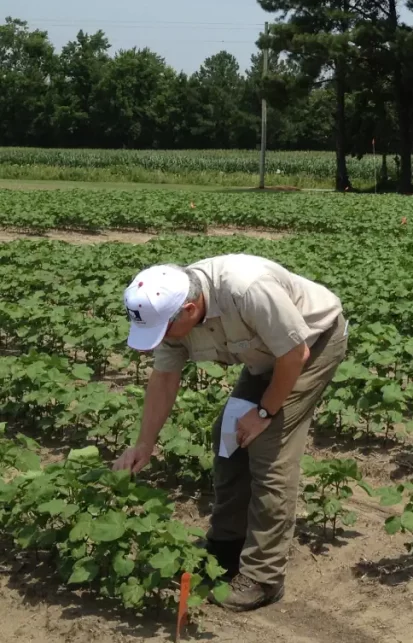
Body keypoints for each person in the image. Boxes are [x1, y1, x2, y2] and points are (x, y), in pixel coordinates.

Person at [113, 254, 348, 612]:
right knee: (229, 438)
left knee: (270, 448)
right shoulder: (171, 313)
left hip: (311, 345)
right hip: (266, 353)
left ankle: (264, 577)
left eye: (162, 332)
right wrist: (145, 443)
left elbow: (294, 353)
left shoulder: (246, 289)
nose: (160, 339)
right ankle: (226, 545)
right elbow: (164, 378)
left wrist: (265, 412)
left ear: (190, 310)